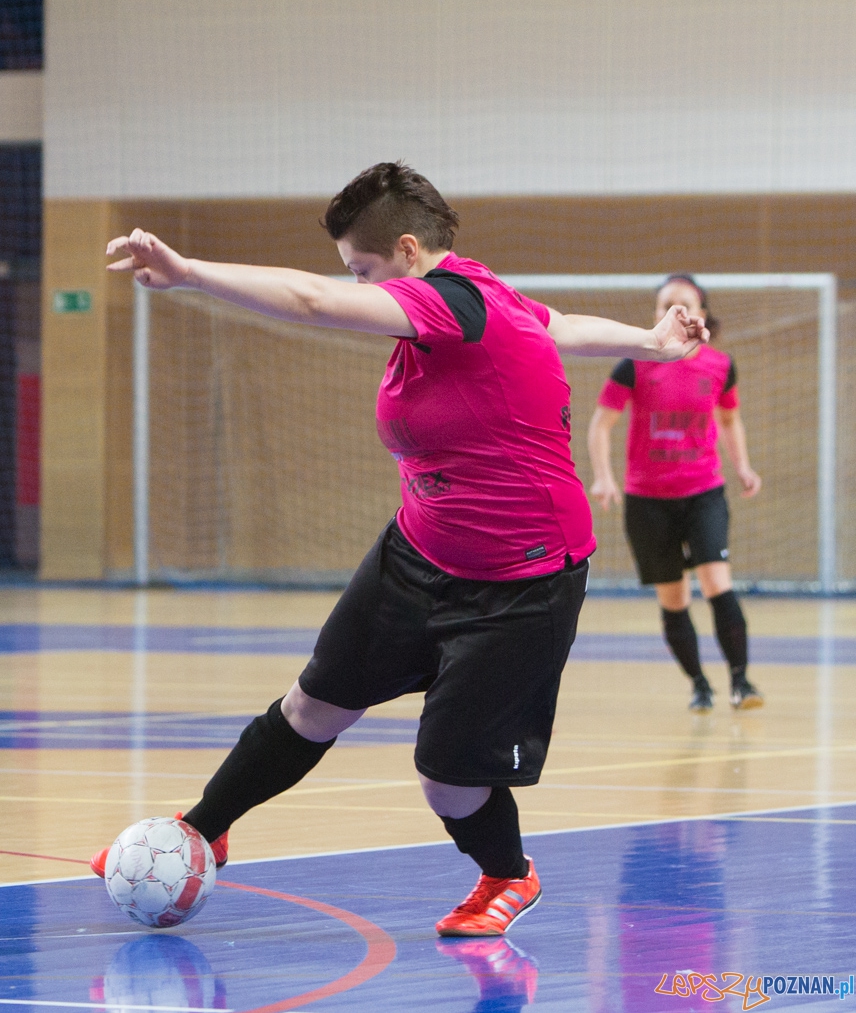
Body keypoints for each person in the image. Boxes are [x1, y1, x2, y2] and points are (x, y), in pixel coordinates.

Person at [96, 162, 707, 938]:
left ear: (410, 251)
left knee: (447, 779)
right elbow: (557, 325)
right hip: (418, 552)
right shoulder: (486, 295)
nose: (352, 284)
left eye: (363, 270)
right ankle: (202, 831)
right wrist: (653, 343)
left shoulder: (452, 300)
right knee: (312, 705)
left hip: (520, 581)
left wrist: (190, 273)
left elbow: (314, 302)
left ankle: (510, 875)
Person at [586, 274, 763, 712]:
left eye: (687, 302)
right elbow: (601, 424)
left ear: (702, 312)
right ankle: (700, 684)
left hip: (703, 492)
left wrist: (742, 466)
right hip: (647, 501)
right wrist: (603, 476)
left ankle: (742, 682)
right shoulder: (634, 364)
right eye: (669, 303)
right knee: (673, 597)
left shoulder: (721, 366)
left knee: (716, 582)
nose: (679, 309)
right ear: (659, 315)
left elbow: (729, 420)